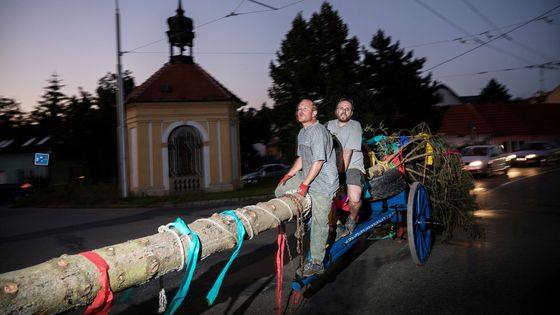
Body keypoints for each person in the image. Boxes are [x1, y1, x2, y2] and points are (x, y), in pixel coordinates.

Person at [275, 99, 339, 277]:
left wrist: (304, 185)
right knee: (280, 190)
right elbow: (302, 159)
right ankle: (304, 217)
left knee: (319, 223)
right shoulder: (303, 132)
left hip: (323, 182)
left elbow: (318, 162)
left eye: (305, 108)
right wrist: (287, 176)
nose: (300, 111)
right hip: (307, 175)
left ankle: (317, 262)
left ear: (314, 113)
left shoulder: (318, 132)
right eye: (298, 108)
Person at [325, 98, 365, 238]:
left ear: (351, 113)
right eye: (341, 108)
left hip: (352, 165)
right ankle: (336, 225)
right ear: (336, 111)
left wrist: (340, 178)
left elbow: (347, 153)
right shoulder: (328, 125)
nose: (344, 111)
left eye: (348, 109)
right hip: (333, 167)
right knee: (323, 198)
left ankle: (352, 220)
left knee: (355, 199)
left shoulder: (355, 126)